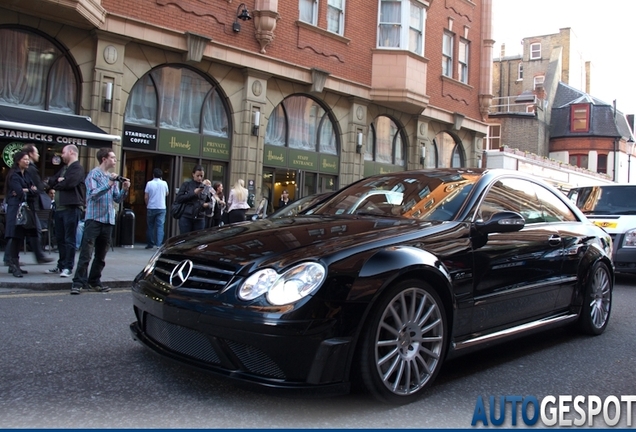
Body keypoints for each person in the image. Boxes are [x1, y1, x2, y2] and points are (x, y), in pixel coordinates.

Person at [70, 148, 130, 295]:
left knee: (101, 255)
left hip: (108, 220)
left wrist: (125, 190)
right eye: (113, 158)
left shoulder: (112, 178)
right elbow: (92, 195)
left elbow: (117, 198)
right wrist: (109, 183)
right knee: (86, 253)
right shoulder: (93, 175)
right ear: (104, 159)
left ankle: (94, 281)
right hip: (94, 219)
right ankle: (78, 283)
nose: (115, 160)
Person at [3, 144, 54, 267]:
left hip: (25, 204)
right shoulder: (23, 171)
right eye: (36, 152)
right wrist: (33, 188)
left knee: (19, 232)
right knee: (23, 231)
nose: (38, 155)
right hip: (22, 206)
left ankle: (11, 259)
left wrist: (28, 190)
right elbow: (30, 189)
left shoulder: (26, 171)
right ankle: (19, 258)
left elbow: (32, 188)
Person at [45, 144, 85, 278]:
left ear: (71, 152)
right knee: (60, 239)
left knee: (69, 239)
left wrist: (59, 183)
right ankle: (61, 265)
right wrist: (58, 180)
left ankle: (68, 267)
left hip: (71, 208)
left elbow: (69, 183)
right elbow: (51, 181)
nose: (61, 155)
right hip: (60, 209)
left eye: (63, 153)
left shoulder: (77, 168)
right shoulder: (64, 169)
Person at [3, 151, 39, 277]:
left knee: (20, 236)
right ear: (18, 161)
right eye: (25, 159)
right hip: (15, 209)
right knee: (14, 236)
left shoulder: (27, 174)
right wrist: (28, 190)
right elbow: (18, 191)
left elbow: (35, 190)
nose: (27, 161)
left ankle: (15, 264)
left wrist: (26, 190)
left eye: (28, 159)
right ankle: (13, 265)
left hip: (25, 209)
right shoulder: (14, 175)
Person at [174, 165, 212, 234]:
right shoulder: (186, 185)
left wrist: (207, 205)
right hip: (186, 216)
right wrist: (194, 193)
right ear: (193, 174)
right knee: (185, 238)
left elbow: (211, 201)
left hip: (200, 217)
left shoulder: (206, 187)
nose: (199, 178)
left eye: (201, 176)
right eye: (197, 176)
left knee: (198, 239)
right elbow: (179, 199)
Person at [144, 168, 169, 249]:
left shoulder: (149, 183)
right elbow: (167, 193)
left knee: (150, 226)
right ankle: (159, 244)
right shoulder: (164, 183)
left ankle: (150, 244)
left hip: (151, 206)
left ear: (153, 175)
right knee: (160, 226)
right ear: (161, 176)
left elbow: (146, 196)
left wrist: (148, 204)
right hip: (161, 207)